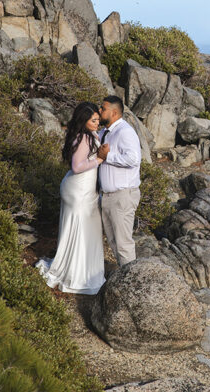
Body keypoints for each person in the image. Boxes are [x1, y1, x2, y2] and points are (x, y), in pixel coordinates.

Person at [35, 102, 106, 294]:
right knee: (79, 229)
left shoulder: (87, 134)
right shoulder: (83, 137)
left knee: (85, 230)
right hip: (79, 191)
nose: (97, 123)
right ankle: (75, 272)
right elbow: (76, 166)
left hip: (85, 190)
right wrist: (99, 159)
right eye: (93, 120)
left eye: (98, 119)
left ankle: (84, 269)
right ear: (84, 120)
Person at [97, 95, 142, 266]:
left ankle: (132, 284)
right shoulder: (105, 132)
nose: (100, 111)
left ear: (114, 112)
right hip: (107, 197)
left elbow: (133, 159)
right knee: (114, 243)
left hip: (122, 196)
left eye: (103, 109)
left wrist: (108, 156)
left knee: (123, 244)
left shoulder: (125, 132)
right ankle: (124, 278)